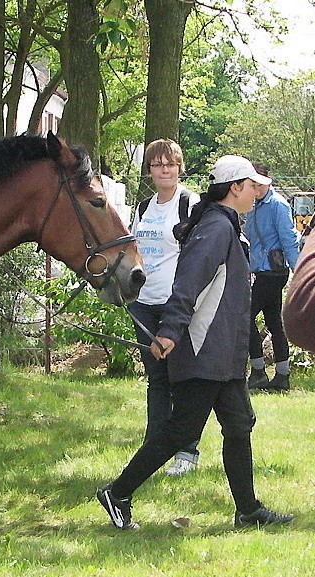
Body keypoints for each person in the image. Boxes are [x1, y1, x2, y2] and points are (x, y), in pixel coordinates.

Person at [97, 155, 294, 530]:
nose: (256, 192)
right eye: (251, 186)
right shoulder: (216, 228)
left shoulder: (225, 225)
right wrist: (170, 331)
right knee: (182, 430)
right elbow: (187, 284)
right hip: (205, 349)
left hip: (224, 352)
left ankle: (248, 510)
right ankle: (117, 492)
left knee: (239, 424)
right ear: (235, 188)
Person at [128, 139, 202, 476]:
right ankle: (154, 449)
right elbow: (132, 250)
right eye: (158, 164)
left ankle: (187, 451)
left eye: (170, 163)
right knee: (156, 380)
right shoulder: (142, 208)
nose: (164, 170)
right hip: (144, 302)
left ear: (179, 166)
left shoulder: (190, 203)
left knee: (182, 379)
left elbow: (201, 254)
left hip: (176, 305)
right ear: (150, 170)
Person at [245, 162, 300, 391]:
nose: (255, 189)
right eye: (252, 184)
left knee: (244, 316)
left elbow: (289, 239)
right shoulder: (253, 206)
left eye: (258, 185)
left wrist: (299, 271)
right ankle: (282, 375)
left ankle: (258, 371)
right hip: (261, 271)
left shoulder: (278, 205)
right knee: (274, 322)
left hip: (273, 272)